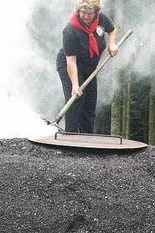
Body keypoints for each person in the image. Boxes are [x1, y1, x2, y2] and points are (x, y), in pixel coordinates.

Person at [56, 0, 117, 133]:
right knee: (76, 101)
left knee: (89, 104)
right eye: (83, 12)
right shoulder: (70, 30)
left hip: (90, 69)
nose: (86, 16)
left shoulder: (101, 19)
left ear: (96, 12)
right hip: (69, 65)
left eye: (89, 13)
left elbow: (112, 29)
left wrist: (111, 44)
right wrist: (75, 85)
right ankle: (70, 140)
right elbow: (71, 61)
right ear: (78, 10)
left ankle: (87, 142)